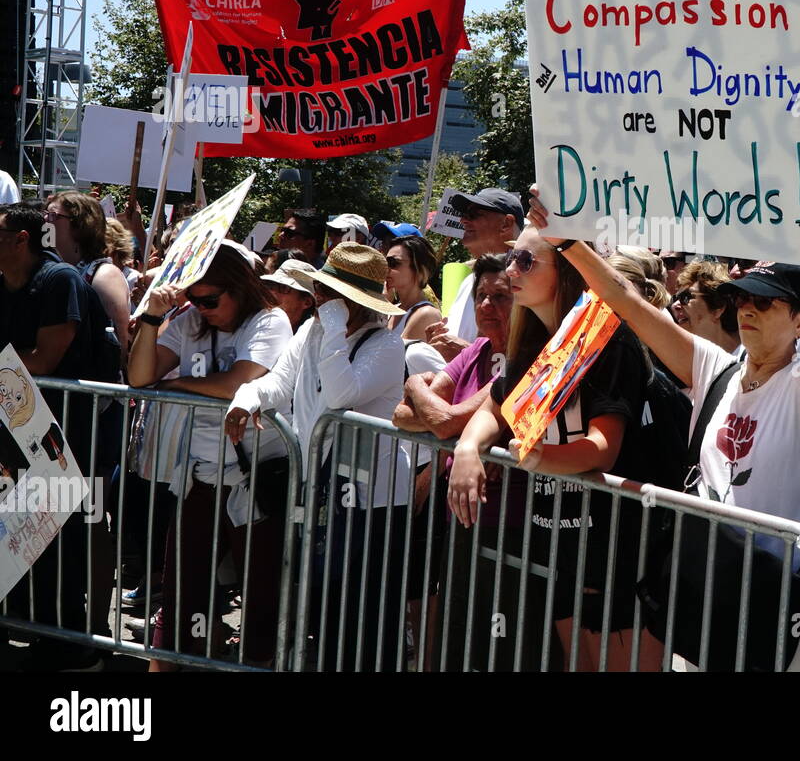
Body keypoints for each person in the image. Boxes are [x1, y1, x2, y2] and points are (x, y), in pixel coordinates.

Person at [523, 187, 800, 670]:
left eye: (767, 304)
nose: (748, 310)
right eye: (743, 298)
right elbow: (626, 301)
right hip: (711, 579)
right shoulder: (715, 368)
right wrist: (569, 243)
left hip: (782, 591)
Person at [446, 226, 662, 672]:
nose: (510, 272)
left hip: (616, 544)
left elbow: (603, 445)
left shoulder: (607, 338)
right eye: (512, 260)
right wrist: (469, 447)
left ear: (566, 270)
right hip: (558, 537)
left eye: (525, 262)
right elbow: (496, 406)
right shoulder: (532, 342)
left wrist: (539, 456)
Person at [225, 242, 408, 670]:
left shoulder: (385, 345)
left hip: (371, 501)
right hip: (321, 491)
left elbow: (342, 393)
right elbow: (279, 384)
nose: (322, 300)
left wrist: (331, 326)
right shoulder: (312, 332)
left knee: (363, 616)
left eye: (331, 295)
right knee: (323, 604)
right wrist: (246, 396)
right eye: (321, 292)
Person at [127, 242, 292, 671]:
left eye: (211, 300)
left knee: (261, 588)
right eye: (195, 299)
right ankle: (174, 660)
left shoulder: (270, 321)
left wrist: (177, 386)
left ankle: (257, 660)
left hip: (256, 475)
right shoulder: (189, 322)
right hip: (199, 470)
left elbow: (239, 382)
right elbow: (141, 375)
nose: (202, 308)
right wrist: (151, 318)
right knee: (183, 585)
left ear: (239, 287)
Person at [392, 253, 532, 670]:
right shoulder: (476, 351)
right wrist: (421, 390)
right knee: (458, 629)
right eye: (481, 297)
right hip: (463, 519)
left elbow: (446, 422)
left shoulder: (527, 359)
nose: (487, 306)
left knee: (502, 643)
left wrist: (415, 383)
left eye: (500, 297)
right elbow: (401, 415)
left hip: (512, 524)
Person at [0, 203, 121, 671]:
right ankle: (28, 627)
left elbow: (46, 360)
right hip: (15, 434)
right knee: (15, 534)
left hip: (65, 436)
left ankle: (72, 645)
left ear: (21, 239)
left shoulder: (60, 280)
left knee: (60, 542)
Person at [434, 189, 524, 356]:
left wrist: (466, 355)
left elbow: (529, 360)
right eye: (483, 295)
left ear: (506, 224)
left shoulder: (524, 282)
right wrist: (436, 344)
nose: (463, 220)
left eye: (474, 214)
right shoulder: (468, 281)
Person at [46, 191, 132, 368]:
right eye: (45, 214)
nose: (45, 220)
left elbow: (117, 344)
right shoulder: (50, 268)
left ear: (79, 225)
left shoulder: (104, 275)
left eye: (53, 215)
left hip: (92, 390)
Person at [673, 260, 741, 356]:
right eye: (676, 298)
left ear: (718, 307)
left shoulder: (752, 359)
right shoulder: (696, 362)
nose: (676, 305)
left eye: (685, 297)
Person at [384, 233, 441, 341]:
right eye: (385, 263)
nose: (386, 269)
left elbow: (392, 355)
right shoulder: (393, 309)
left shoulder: (426, 314)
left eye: (393, 263)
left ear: (419, 269)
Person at [260, 258, 316, 332]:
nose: (272, 292)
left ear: (307, 302)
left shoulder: (311, 338)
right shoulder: (258, 326)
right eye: (271, 285)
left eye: (283, 288)